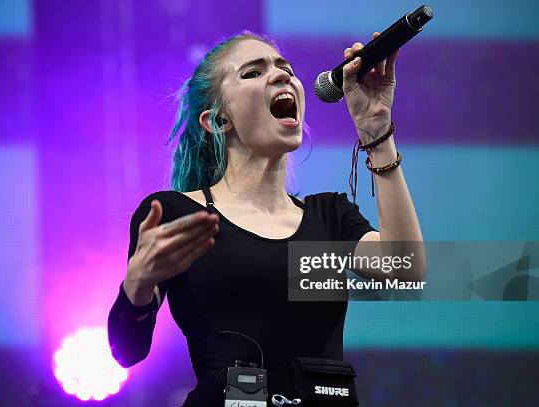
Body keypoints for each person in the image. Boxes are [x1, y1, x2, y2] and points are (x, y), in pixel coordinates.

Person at [107, 31, 424, 406]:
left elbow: (406, 268)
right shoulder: (177, 214)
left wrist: (376, 131)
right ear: (218, 120)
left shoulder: (329, 216)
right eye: (252, 72)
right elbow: (128, 352)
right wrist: (138, 287)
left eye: (284, 67)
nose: (280, 75)